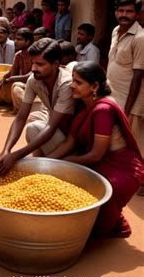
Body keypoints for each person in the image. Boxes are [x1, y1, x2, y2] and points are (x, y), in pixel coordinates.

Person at [48, 62, 143, 237]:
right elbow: (69, 143)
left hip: (121, 168)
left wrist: (66, 162)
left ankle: (116, 223)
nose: (72, 86)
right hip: (101, 161)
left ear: (95, 86)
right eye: (72, 80)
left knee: (89, 225)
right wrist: (47, 163)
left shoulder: (103, 111)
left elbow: (96, 155)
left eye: (78, 82)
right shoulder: (86, 105)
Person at [0, 39, 75, 175]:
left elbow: (51, 127)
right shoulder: (34, 79)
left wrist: (16, 155)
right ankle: (43, 166)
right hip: (56, 129)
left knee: (36, 131)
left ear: (56, 64)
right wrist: (6, 151)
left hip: (71, 139)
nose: (34, 68)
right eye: (33, 63)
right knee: (32, 128)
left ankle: (49, 168)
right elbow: (21, 117)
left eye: (40, 64)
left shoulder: (66, 84)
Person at [107, 0, 144, 140]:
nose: (124, 15)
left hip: (130, 104)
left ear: (137, 14)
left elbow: (138, 76)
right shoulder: (115, 31)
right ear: (115, 11)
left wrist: (126, 112)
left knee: (129, 144)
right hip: (113, 98)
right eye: (121, 10)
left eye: (129, 11)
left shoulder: (140, 38)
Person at [0, 28, 34, 113]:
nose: (15, 42)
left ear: (28, 42)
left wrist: (12, 79)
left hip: (35, 87)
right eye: (15, 39)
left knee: (15, 85)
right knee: (5, 84)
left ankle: (27, 110)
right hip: (24, 85)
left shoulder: (34, 55)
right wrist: (6, 77)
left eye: (19, 39)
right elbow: (13, 72)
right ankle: (18, 107)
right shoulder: (18, 55)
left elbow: (31, 76)